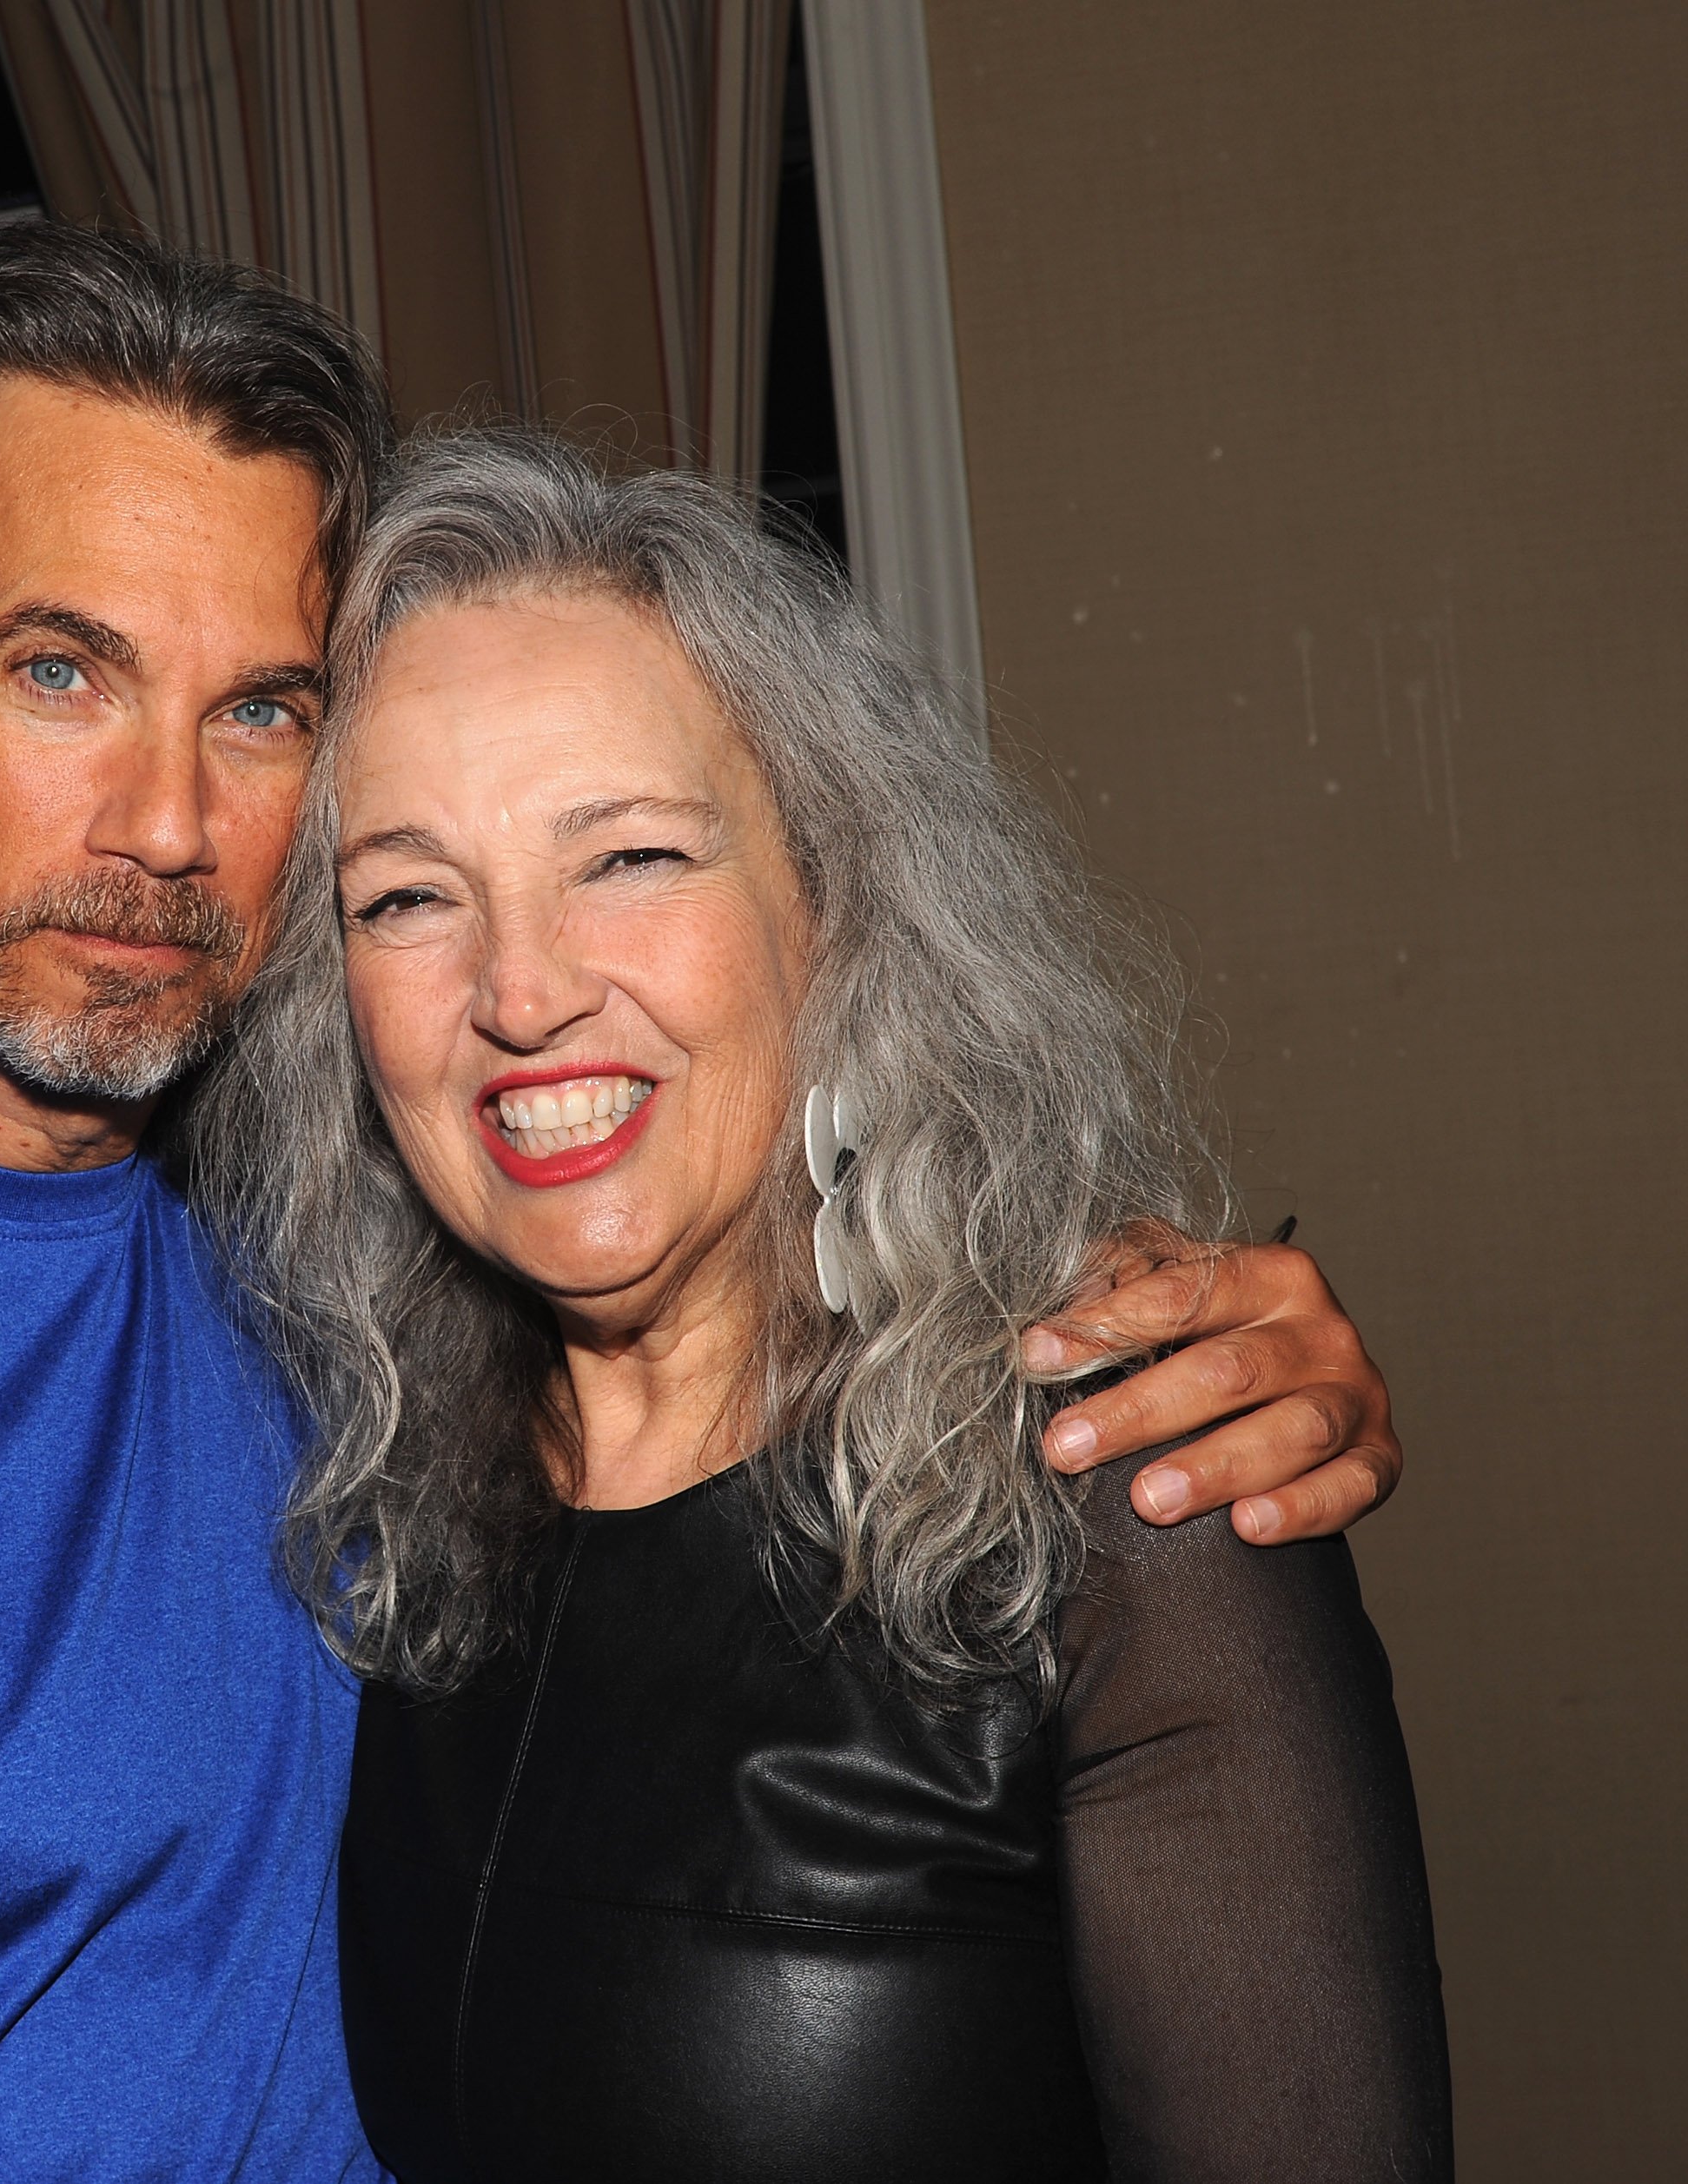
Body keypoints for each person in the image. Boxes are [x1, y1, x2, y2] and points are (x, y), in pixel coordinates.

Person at [0, 226, 1409, 2182]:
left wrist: (1214, 1354)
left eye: (263, 710)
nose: (169, 822)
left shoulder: (337, 1285)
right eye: (61, 671)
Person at [185, 428, 1452, 2180]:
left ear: (832, 908)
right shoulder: (372, 1509)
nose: (522, 988)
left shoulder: (1127, 1499)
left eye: (629, 856)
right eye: (409, 896)